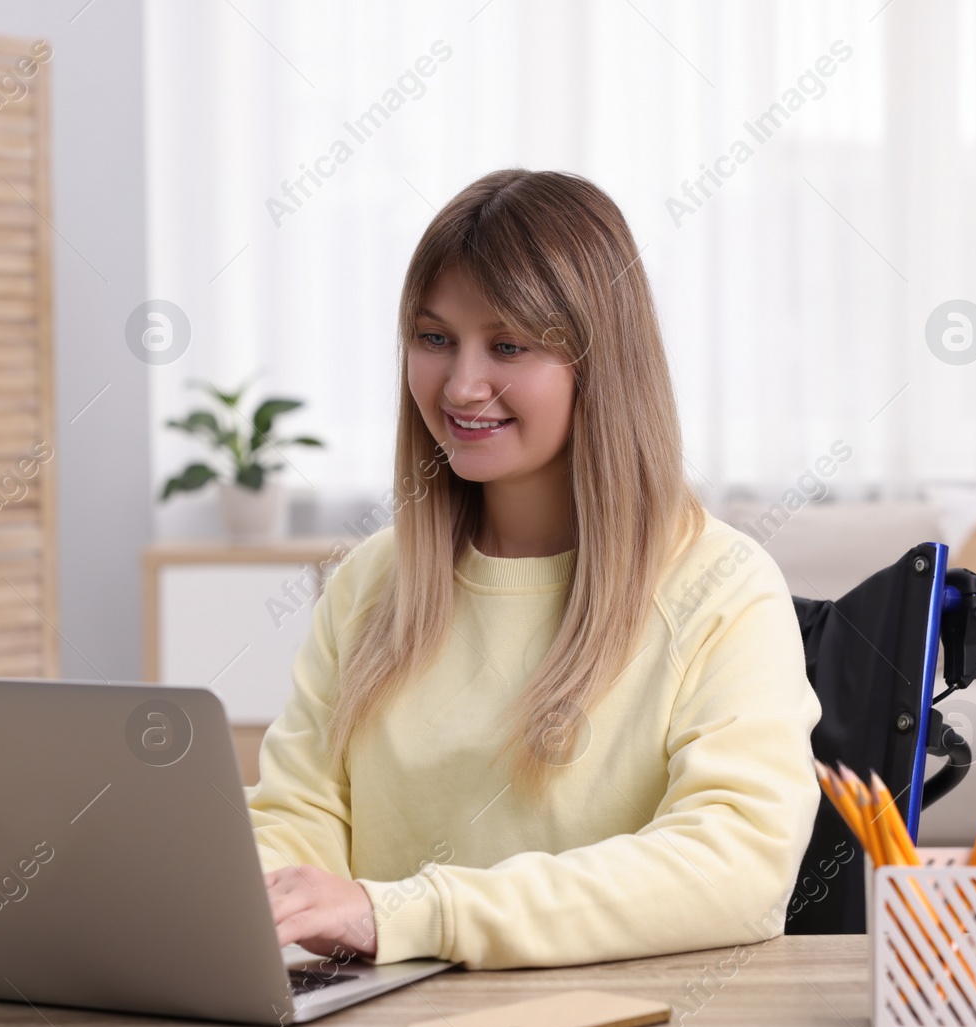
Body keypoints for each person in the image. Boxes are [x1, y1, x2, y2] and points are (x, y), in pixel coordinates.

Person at [248, 168, 821, 970]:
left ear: (600, 364)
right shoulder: (370, 583)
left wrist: (410, 912)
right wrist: (276, 909)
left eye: (507, 344)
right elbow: (297, 813)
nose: (461, 384)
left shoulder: (723, 587)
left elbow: (738, 865)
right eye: (434, 337)